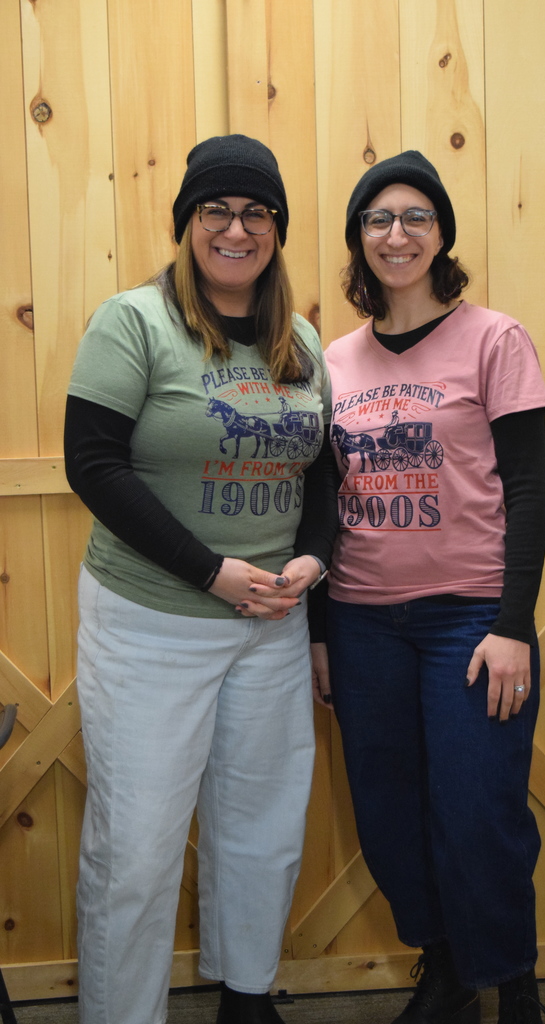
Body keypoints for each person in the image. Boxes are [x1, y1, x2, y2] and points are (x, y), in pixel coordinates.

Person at [65, 134, 337, 1024]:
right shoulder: (133, 321)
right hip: (150, 624)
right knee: (136, 846)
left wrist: (311, 558)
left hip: (270, 625)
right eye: (215, 210)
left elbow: (323, 474)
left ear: (276, 230)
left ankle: (248, 994)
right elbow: (94, 465)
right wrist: (211, 572)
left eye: (256, 212)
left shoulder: (298, 336)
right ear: (187, 224)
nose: (236, 227)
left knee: (261, 825)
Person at [312, 151, 545, 1024]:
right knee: (388, 809)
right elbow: (317, 502)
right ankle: (445, 967)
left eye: (415, 216)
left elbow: (526, 490)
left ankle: (511, 974)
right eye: (378, 220)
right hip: (362, 621)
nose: (396, 233)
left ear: (441, 233)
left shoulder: (495, 338)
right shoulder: (330, 360)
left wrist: (513, 624)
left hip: (471, 622)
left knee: (478, 806)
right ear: (358, 242)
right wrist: (318, 634)